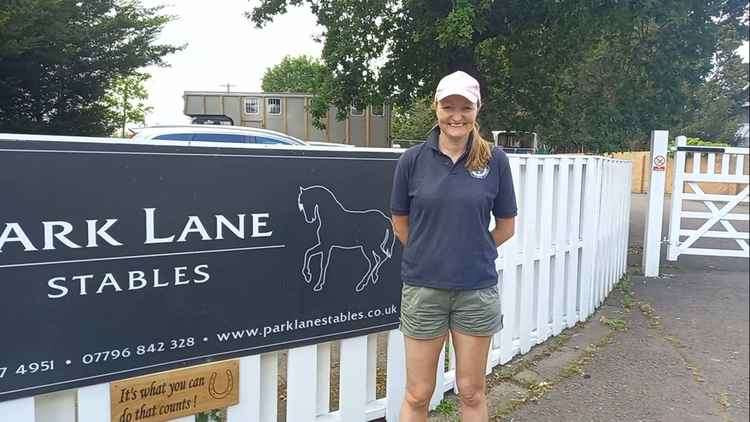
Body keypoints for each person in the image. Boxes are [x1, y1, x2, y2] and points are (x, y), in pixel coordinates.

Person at [390, 70, 518, 422]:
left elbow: (506, 226)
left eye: (466, 106)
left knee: (472, 392)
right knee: (417, 394)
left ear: (478, 109)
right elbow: (400, 222)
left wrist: (473, 249)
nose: (456, 115)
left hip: (475, 291)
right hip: (422, 290)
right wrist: (427, 251)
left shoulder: (495, 161)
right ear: (436, 107)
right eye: (449, 106)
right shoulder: (412, 160)